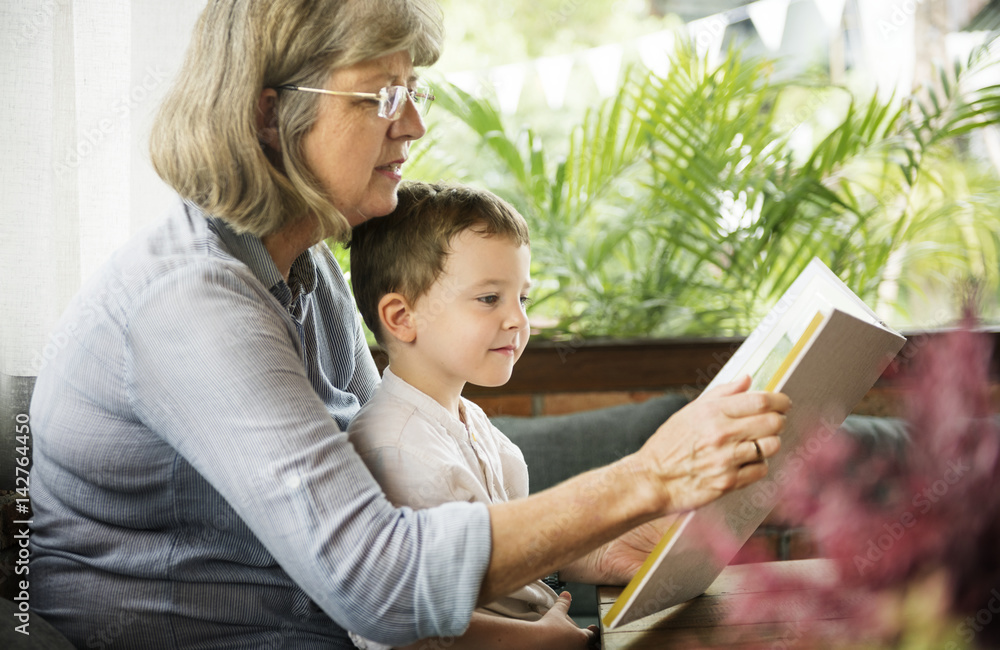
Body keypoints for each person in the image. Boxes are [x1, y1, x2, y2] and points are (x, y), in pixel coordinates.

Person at [27, 1, 789, 648]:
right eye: (382, 97)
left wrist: (593, 547)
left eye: (412, 91)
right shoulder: (191, 303)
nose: (416, 123)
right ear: (270, 114)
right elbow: (377, 579)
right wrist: (647, 478)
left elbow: (390, 502)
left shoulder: (307, 266)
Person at [347, 181, 598, 648]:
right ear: (402, 317)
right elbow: (398, 625)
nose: (518, 320)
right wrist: (533, 640)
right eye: (489, 299)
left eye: (522, 298)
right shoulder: (394, 448)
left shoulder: (468, 419)